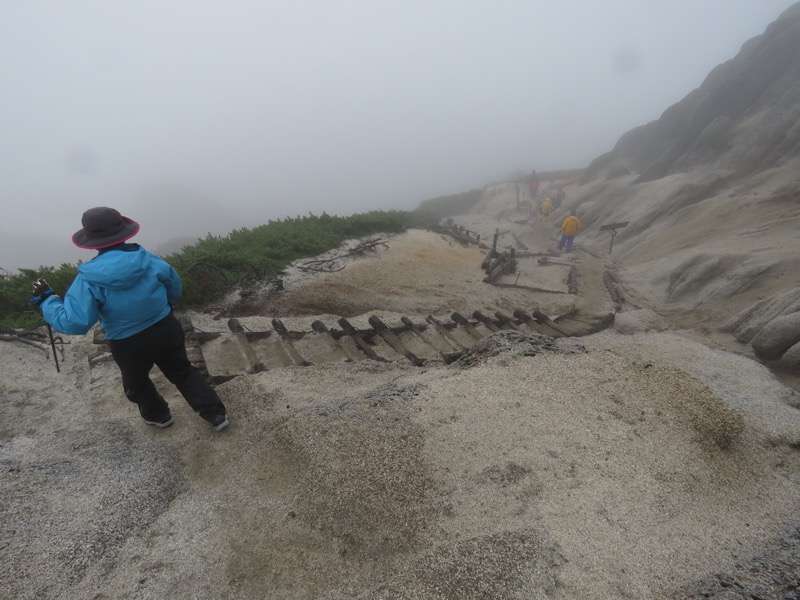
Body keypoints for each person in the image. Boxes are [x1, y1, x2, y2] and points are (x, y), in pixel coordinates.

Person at [30, 207, 229, 431]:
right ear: (124, 232)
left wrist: (47, 301)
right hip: (165, 327)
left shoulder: (87, 280)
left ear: (91, 241)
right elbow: (174, 287)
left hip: (127, 343)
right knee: (183, 371)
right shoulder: (149, 260)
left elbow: (76, 322)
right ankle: (216, 415)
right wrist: (167, 305)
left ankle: (159, 416)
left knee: (137, 382)